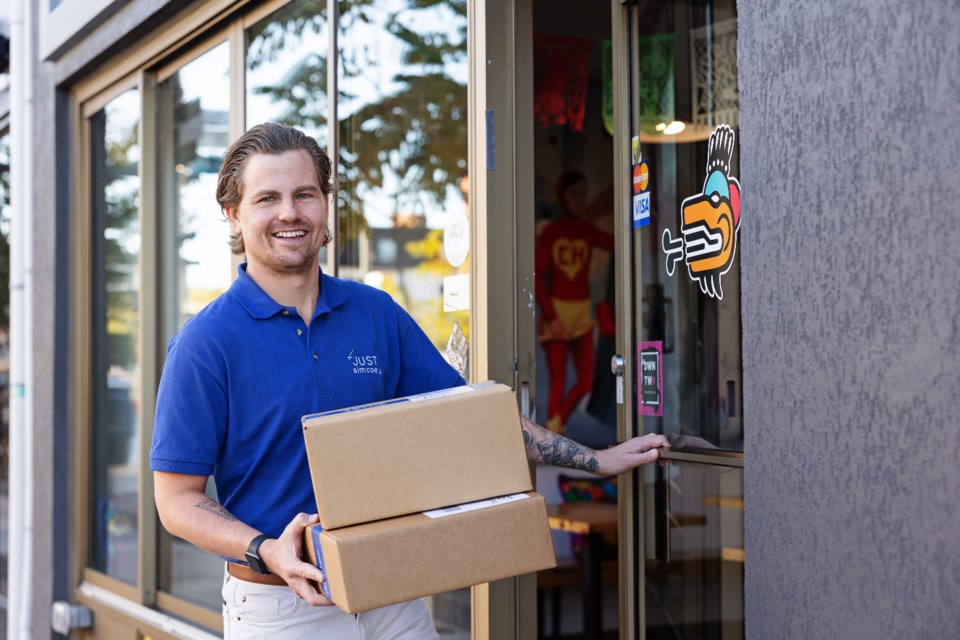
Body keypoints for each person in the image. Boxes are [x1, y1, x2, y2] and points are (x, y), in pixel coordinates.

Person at [150, 123, 667, 640]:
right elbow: (176, 500)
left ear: (325, 204)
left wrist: (596, 459)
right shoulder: (205, 343)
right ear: (234, 213)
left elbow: (468, 419)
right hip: (281, 607)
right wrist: (265, 548)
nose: (289, 212)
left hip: (391, 594)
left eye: (304, 194)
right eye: (268, 198)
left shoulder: (375, 313)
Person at [535, 170, 615, 435]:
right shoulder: (551, 233)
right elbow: (535, 278)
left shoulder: (585, 229)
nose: (579, 199)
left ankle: (556, 430)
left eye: (583, 193)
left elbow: (620, 245)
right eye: (573, 194)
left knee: (584, 383)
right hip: (556, 311)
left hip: (581, 313)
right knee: (558, 381)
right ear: (562, 196)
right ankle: (552, 435)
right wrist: (551, 316)